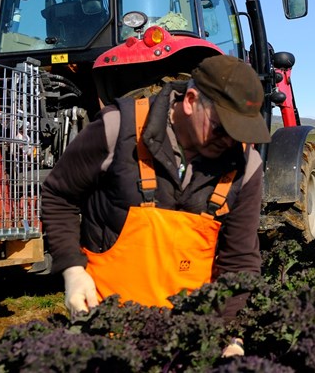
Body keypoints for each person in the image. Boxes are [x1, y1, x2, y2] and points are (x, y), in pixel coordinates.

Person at [41, 54, 269, 341]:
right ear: (191, 100)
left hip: (186, 338)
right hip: (104, 328)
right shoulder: (117, 128)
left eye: (241, 132)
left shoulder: (246, 165)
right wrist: (72, 270)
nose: (230, 142)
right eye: (222, 128)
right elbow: (58, 194)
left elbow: (241, 261)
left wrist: (233, 337)